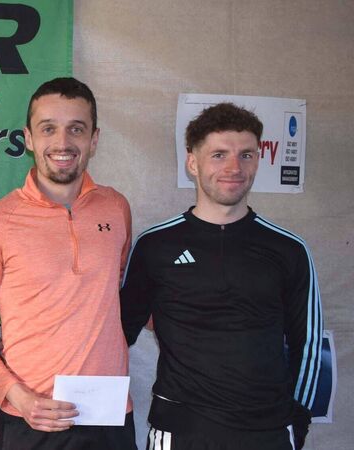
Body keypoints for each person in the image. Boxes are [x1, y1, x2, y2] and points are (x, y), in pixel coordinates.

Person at [121, 103, 322, 450]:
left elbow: (309, 344)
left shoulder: (289, 249)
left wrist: (297, 420)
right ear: (193, 163)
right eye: (218, 155)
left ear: (258, 160)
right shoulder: (155, 245)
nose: (234, 168)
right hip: (180, 432)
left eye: (246, 155)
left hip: (269, 432)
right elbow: (115, 334)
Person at [0, 77, 136, 450]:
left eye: (76, 129)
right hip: (32, 420)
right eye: (48, 129)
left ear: (94, 139)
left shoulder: (116, 208)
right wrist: (17, 395)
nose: (62, 142)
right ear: (28, 138)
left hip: (109, 418)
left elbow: (115, 295)